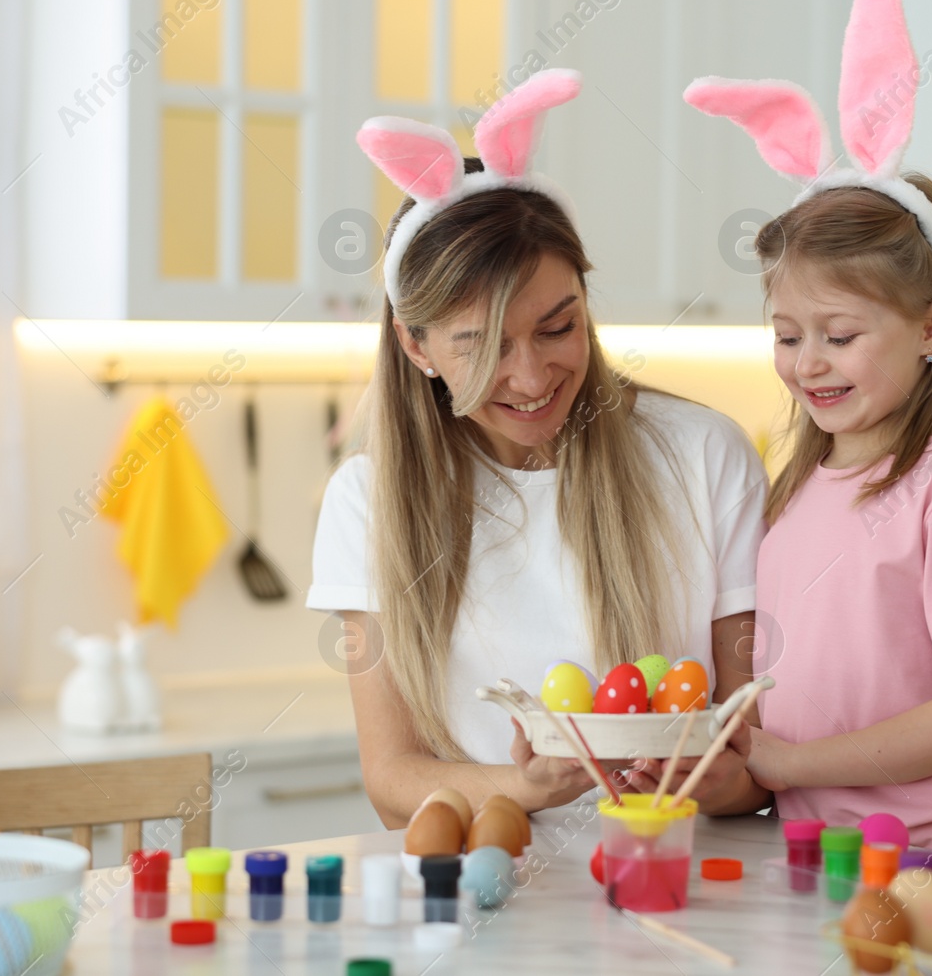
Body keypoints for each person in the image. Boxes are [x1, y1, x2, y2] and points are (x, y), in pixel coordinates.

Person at [308, 69, 769, 827]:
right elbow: (391, 777)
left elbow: (758, 754)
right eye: (484, 346)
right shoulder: (368, 499)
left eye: (558, 327)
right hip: (485, 885)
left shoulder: (706, 455)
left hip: (671, 872)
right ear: (414, 345)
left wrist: (725, 778)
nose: (530, 377)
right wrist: (530, 787)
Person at [685, 0, 932, 861]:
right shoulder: (796, 486)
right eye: (787, 334)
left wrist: (791, 759)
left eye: (839, 336)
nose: (807, 362)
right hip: (807, 856)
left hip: (929, 862)